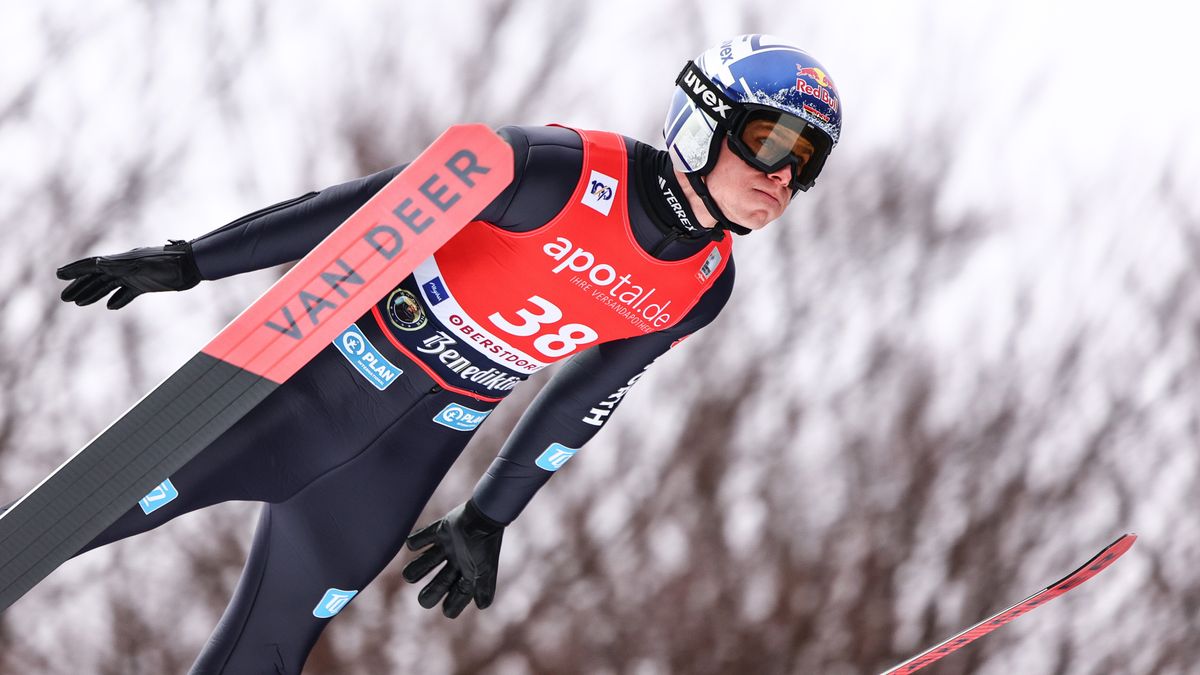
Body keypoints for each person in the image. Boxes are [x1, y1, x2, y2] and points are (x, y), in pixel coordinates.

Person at [48, 34, 842, 674]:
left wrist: (490, 516)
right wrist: (193, 261)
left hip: (396, 467)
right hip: (304, 398)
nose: (783, 175)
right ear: (703, 120)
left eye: (806, 161)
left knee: (269, 651)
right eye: (770, 141)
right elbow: (362, 210)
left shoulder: (702, 286)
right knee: (64, 525)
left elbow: (583, 399)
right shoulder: (551, 169)